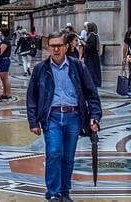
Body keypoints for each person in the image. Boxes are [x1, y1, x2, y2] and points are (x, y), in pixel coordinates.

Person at [26, 29, 102, 202]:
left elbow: (92, 94)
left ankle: (65, 191)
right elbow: (32, 97)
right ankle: (53, 192)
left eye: (59, 45)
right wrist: (33, 122)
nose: (56, 49)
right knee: (53, 153)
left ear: (66, 47)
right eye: (52, 46)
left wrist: (95, 116)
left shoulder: (78, 66)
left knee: (68, 156)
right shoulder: (40, 69)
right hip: (51, 117)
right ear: (48, 47)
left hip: (74, 117)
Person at [81, 21, 102, 89]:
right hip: (92, 57)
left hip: (91, 57)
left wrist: (83, 43)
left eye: (86, 27)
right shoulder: (94, 35)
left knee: (91, 72)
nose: (85, 28)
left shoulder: (92, 35)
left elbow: (90, 47)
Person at [0, 26, 14, 100]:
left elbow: (0, 52)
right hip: (4, 60)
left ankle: (8, 93)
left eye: (0, 33)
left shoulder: (5, 42)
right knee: (3, 78)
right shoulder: (6, 41)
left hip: (4, 60)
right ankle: (5, 93)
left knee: (5, 77)